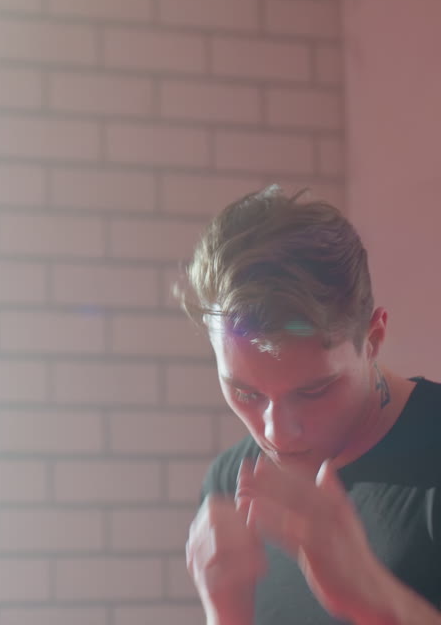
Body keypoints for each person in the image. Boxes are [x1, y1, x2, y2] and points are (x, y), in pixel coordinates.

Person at [180, 185, 441, 624]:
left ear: (373, 338)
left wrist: (376, 597)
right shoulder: (231, 482)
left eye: (314, 391)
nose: (277, 434)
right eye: (246, 393)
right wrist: (222, 615)